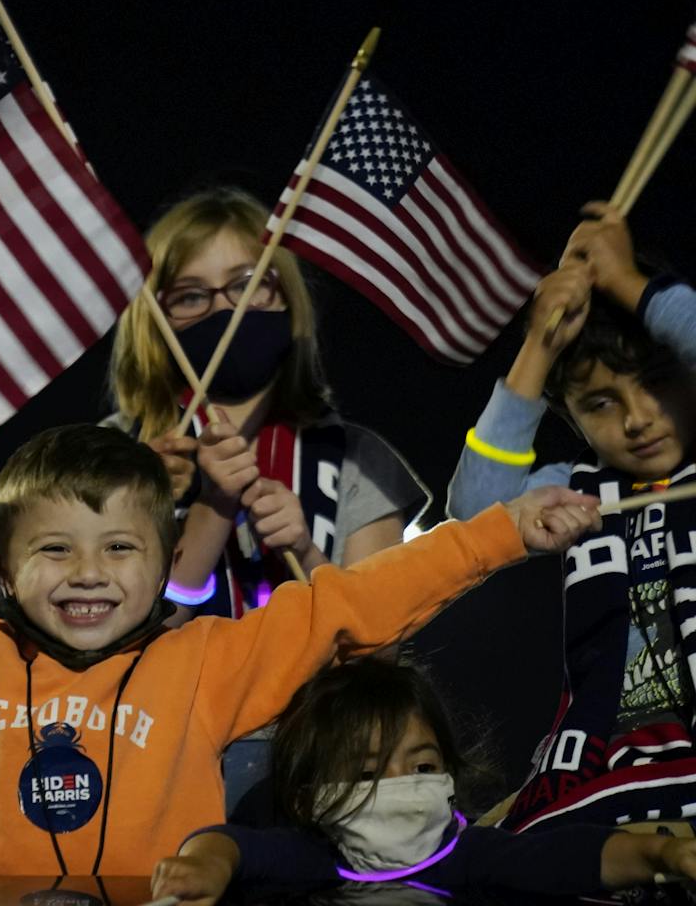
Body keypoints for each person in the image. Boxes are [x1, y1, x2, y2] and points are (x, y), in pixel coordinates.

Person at [0, 400, 598, 876]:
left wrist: (507, 529)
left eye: (121, 547)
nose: (90, 572)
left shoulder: (210, 660)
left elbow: (358, 600)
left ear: (164, 552)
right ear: (0, 562)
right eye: (55, 548)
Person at [447, 202, 696, 832]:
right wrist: (539, 346)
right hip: (608, 759)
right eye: (603, 402)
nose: (637, 418)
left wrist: (632, 288)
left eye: (658, 383)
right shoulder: (581, 488)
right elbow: (477, 509)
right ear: (569, 415)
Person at [109, 187, 427, 618]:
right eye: (190, 296)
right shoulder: (113, 453)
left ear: (288, 300)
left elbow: (377, 648)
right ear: (154, 320)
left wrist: (304, 550)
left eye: (248, 285)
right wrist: (208, 505)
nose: (225, 309)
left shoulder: (359, 460)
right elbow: (122, 645)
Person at [151, 658, 696, 901]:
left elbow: (567, 858)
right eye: (366, 773)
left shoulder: (468, 857)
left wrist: (661, 857)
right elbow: (234, 847)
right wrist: (202, 866)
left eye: (421, 767)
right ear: (310, 796)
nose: (401, 786)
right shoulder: (312, 857)